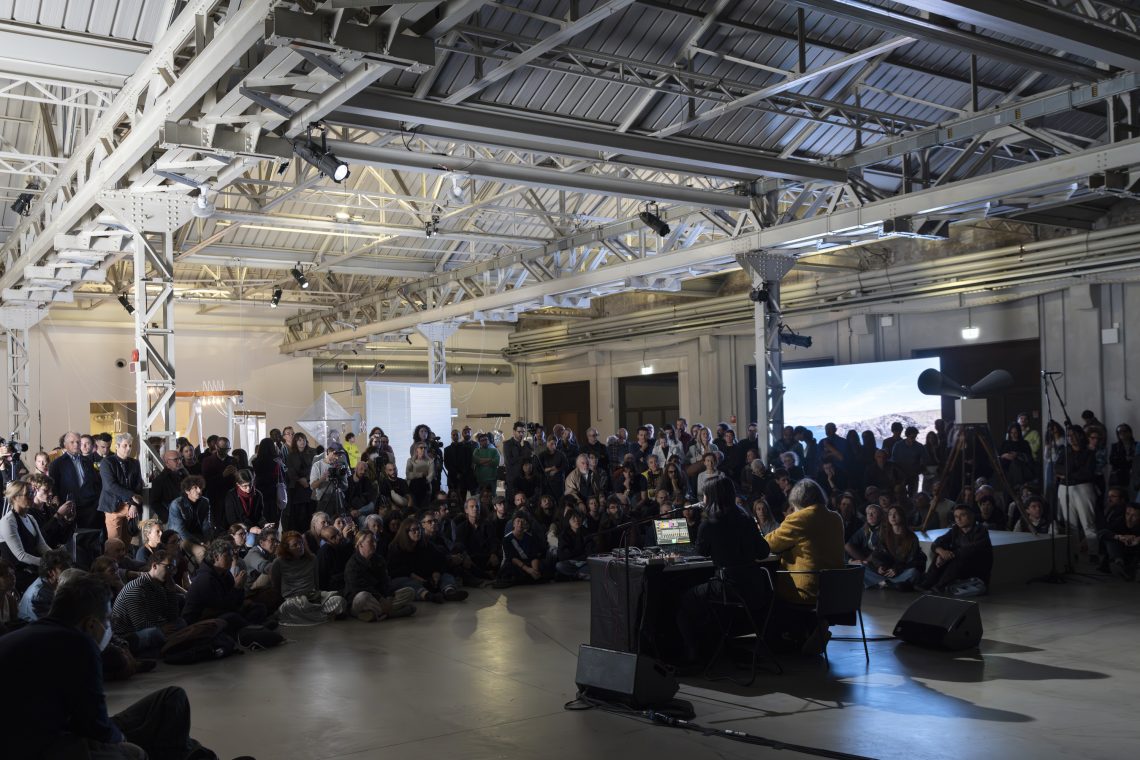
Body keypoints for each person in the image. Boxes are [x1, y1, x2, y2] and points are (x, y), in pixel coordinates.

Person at [0, 573, 228, 760]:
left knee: (171, 698)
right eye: (107, 620)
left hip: (56, 733)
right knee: (134, 753)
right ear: (90, 623)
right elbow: (95, 727)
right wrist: (119, 740)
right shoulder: (78, 645)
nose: (109, 626)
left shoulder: (29, 635)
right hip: (40, 748)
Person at [676, 478, 771, 668]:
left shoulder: (709, 523)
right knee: (714, 604)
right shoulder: (747, 519)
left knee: (684, 600)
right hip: (755, 586)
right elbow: (764, 551)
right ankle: (721, 647)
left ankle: (693, 654)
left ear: (710, 498)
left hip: (728, 587)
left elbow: (701, 552)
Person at [763, 478, 846, 653]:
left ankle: (783, 640)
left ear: (797, 500)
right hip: (835, 591)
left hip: (808, 590)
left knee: (765, 589)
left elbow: (769, 544)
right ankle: (808, 629)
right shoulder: (835, 517)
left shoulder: (801, 518)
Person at [110, 549, 183, 653]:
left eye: (174, 568)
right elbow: (140, 624)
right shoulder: (136, 588)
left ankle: (170, 643)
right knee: (154, 633)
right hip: (128, 635)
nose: (172, 572)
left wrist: (171, 591)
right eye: (169, 567)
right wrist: (162, 628)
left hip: (152, 627)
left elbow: (171, 616)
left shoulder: (160, 586)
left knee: (180, 622)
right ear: (154, 566)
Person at [270, 531, 347, 624]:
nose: (300, 546)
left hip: (312, 596)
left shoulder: (312, 559)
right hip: (293, 599)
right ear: (287, 548)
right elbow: (276, 586)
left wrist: (318, 597)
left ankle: (314, 615)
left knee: (339, 601)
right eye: (295, 545)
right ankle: (324, 615)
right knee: (286, 608)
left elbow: (316, 582)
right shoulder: (278, 562)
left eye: (301, 543)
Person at [917, 505, 994, 593]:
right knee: (941, 552)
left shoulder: (980, 530)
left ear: (972, 516)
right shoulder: (956, 529)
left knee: (958, 557)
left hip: (976, 569)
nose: (958, 519)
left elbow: (970, 550)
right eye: (956, 516)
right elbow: (938, 542)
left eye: (962, 515)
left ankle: (940, 587)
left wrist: (947, 555)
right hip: (959, 567)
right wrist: (941, 552)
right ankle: (928, 583)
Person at [342, 531, 416, 621]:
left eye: (375, 541)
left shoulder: (379, 559)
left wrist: (388, 597)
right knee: (362, 597)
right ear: (360, 544)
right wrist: (380, 598)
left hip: (381, 599)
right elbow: (358, 588)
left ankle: (375, 614)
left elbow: (386, 581)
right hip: (361, 601)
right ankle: (393, 613)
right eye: (371, 541)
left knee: (410, 591)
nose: (374, 544)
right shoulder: (352, 564)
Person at [1055, 425, 1099, 559]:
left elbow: (1087, 473)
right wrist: (1068, 474)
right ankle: (1074, 552)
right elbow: (1057, 468)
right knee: (1070, 523)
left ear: (1080, 436)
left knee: (1088, 522)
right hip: (1064, 488)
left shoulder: (1088, 453)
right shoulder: (1065, 452)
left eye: (1073, 435)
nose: (1071, 438)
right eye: (1069, 435)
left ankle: (1093, 552)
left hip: (1083, 487)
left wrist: (1067, 475)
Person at [0, 479, 52, 591]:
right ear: (14, 497)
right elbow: (21, 556)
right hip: (16, 574)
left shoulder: (31, 518)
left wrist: (57, 558)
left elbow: (42, 546)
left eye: (32, 493)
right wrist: (48, 563)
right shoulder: (8, 521)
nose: (31, 496)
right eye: (27, 494)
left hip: (32, 569)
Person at [864, 506, 925, 589]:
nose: (892, 517)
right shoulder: (884, 535)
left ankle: (884, 584)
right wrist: (880, 566)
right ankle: (889, 584)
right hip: (886, 572)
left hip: (901, 571)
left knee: (913, 573)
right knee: (862, 568)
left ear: (902, 516)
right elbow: (877, 553)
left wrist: (897, 569)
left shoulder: (911, 537)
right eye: (890, 514)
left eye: (896, 514)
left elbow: (913, 561)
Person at [494, 515, 551, 588]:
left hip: (528, 562)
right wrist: (528, 570)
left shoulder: (530, 537)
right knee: (510, 570)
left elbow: (534, 556)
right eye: (518, 522)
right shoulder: (507, 539)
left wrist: (534, 570)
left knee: (544, 565)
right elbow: (512, 558)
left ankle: (532, 577)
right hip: (516, 564)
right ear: (513, 524)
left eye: (522, 522)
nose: (520, 524)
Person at [17, 548, 72, 623]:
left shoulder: (55, 584)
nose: (69, 570)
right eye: (64, 568)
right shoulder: (39, 595)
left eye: (69, 567)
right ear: (50, 572)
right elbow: (49, 624)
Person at [167, 475, 213, 545]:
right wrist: (199, 542)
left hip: (198, 536)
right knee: (202, 552)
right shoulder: (176, 504)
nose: (199, 490)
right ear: (187, 491)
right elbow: (179, 531)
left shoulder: (205, 502)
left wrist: (208, 541)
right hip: (179, 539)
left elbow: (206, 524)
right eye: (195, 488)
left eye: (200, 487)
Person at [1099, 502, 1140, 580]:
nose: (1129, 518)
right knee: (1111, 540)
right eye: (1127, 514)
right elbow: (1102, 533)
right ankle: (1117, 562)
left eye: (1134, 516)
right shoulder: (1119, 520)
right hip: (1120, 551)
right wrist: (1120, 537)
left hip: (1135, 553)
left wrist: (1138, 539)